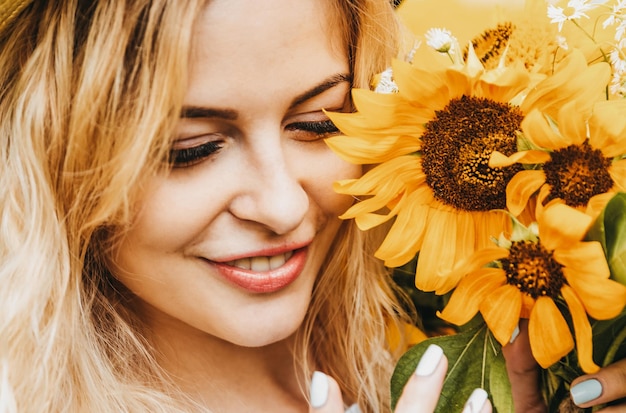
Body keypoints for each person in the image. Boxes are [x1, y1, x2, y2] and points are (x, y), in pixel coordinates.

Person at [0, 1, 619, 412]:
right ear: (55, 148)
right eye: (189, 149)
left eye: (320, 124)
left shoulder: (428, 335)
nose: (281, 205)